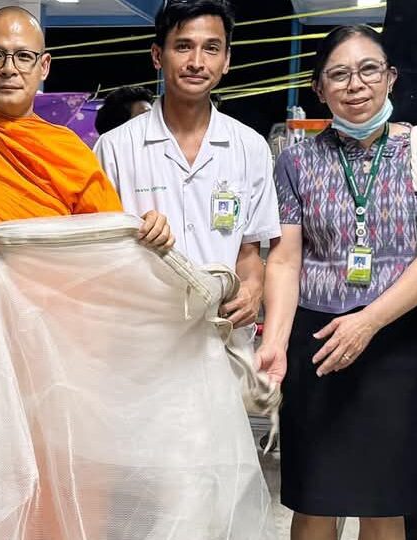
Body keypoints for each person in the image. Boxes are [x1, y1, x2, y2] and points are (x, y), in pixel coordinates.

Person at [257, 25, 417, 539]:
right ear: (319, 88)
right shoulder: (297, 160)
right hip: (316, 343)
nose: (356, 84)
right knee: (314, 502)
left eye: (369, 69)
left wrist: (367, 322)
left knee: (384, 506)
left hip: (395, 342)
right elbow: (285, 260)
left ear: (390, 77)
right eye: (339, 74)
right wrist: (275, 343)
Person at [0, 6, 172, 284]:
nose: (8, 69)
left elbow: (109, 248)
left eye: (24, 56)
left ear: (44, 66)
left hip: (59, 306)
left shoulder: (69, 151)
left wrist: (145, 232)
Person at [96, 0, 280, 362]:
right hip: (140, 348)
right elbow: (100, 256)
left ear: (226, 60)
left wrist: (252, 288)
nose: (197, 62)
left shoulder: (250, 147)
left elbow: (248, 254)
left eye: (211, 48)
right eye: (183, 46)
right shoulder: (115, 148)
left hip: (221, 343)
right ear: (157, 55)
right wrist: (134, 238)